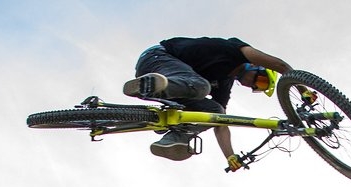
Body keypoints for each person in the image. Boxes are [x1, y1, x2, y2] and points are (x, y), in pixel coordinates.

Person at [124, 36, 294, 168]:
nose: (253, 85)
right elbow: (280, 65)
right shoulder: (234, 51)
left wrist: (230, 156)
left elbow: (221, 122)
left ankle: (173, 138)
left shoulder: (223, 83)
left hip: (167, 80)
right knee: (202, 87)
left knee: (216, 111)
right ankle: (150, 86)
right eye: (261, 81)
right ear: (256, 66)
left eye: (258, 88)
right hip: (157, 57)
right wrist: (302, 87)